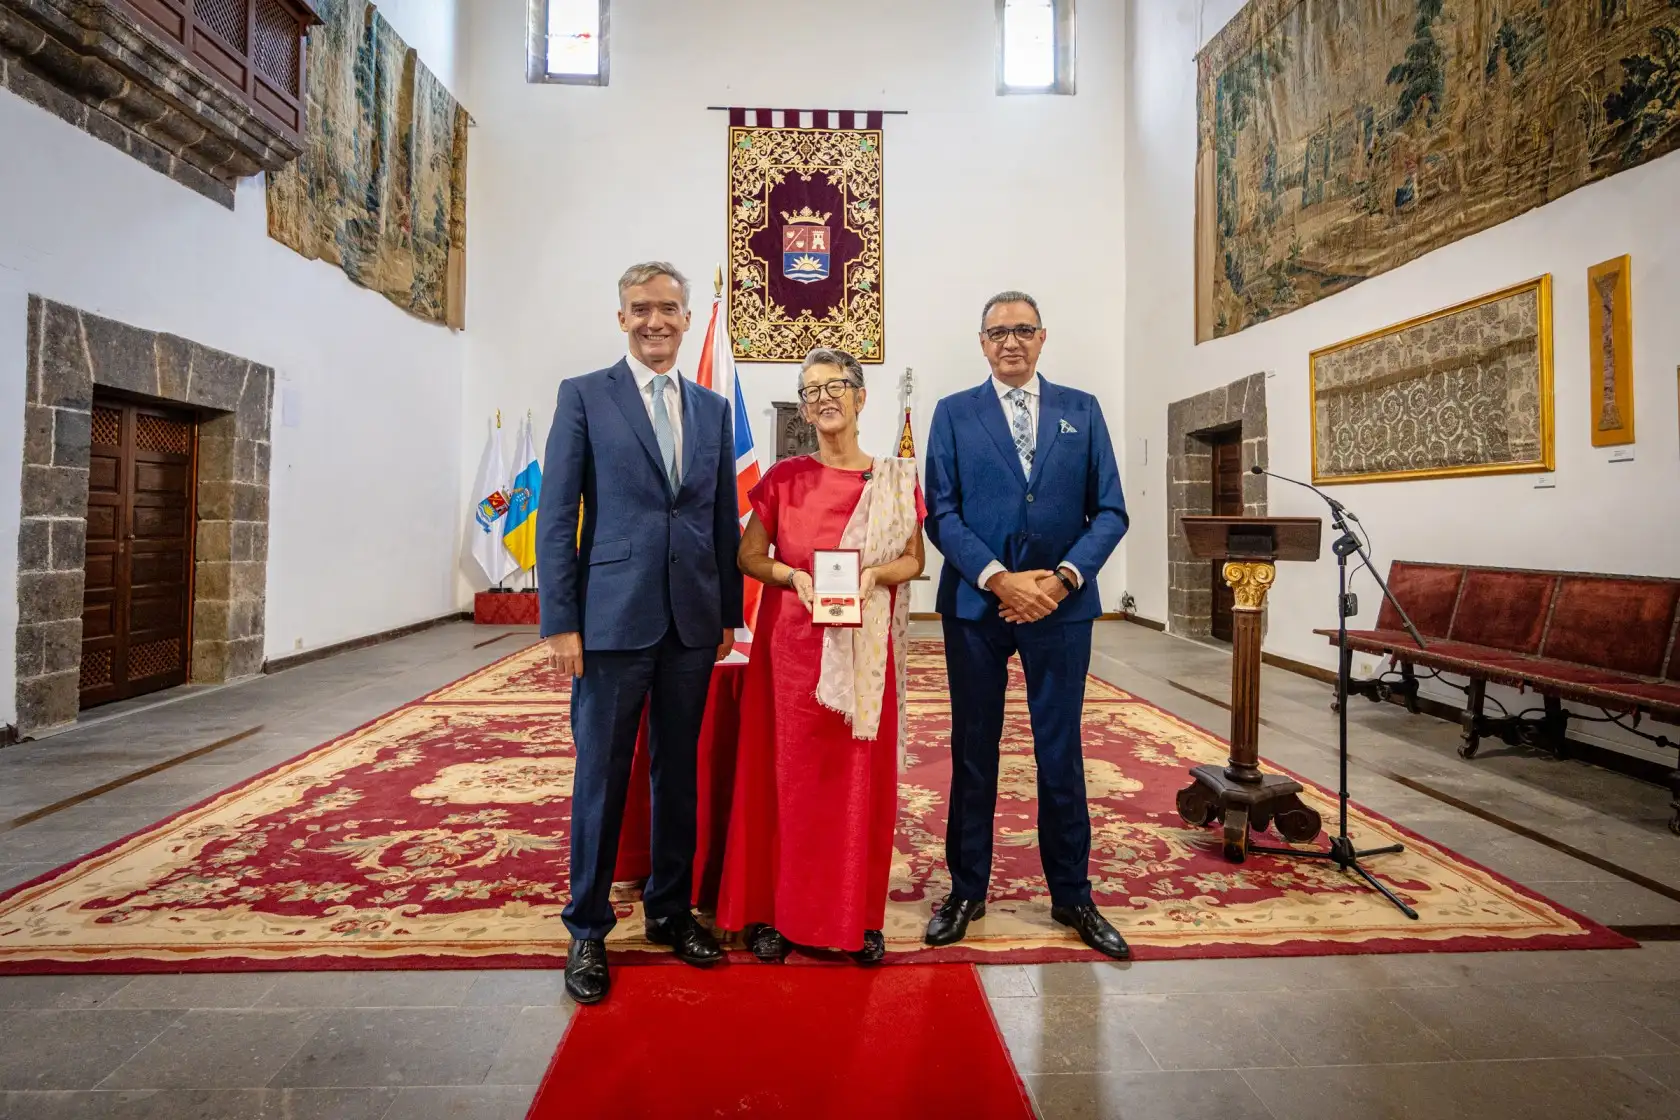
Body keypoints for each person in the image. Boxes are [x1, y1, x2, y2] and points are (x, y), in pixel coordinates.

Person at [535, 261, 744, 1004]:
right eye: (640, 309)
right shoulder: (586, 396)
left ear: (688, 319)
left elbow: (721, 518)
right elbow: (558, 518)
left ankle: (669, 911)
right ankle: (587, 928)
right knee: (602, 775)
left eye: (669, 309)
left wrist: (729, 616)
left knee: (676, 772)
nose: (655, 321)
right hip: (611, 620)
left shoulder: (714, 410)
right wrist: (560, 621)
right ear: (620, 317)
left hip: (692, 620)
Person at [922, 290, 1131, 959]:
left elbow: (1110, 511)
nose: (1010, 342)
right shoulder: (954, 414)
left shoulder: (1082, 411)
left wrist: (1063, 577)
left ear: (1043, 338)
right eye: (997, 333)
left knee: (1059, 753)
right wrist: (998, 578)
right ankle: (966, 889)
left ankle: (1072, 894)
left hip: (1062, 609)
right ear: (981, 343)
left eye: (1022, 330)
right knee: (973, 752)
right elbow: (942, 513)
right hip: (977, 608)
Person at [717, 347, 925, 964]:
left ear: (861, 397)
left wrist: (877, 575)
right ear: (804, 409)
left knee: (855, 779)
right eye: (811, 392)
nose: (823, 398)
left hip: (864, 647)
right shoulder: (783, 478)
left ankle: (855, 914)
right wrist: (791, 575)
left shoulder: (894, 478)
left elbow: (916, 560)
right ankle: (776, 911)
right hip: (791, 650)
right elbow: (748, 557)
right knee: (785, 780)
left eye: (835, 386)